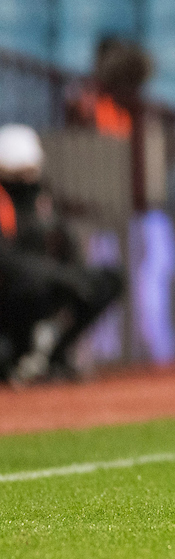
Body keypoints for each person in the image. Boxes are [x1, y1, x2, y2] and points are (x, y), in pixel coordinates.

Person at [0, 124, 123, 383]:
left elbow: (63, 239)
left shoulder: (42, 200)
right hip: (10, 295)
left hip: (44, 285)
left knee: (107, 280)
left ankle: (53, 357)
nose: (27, 179)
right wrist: (60, 275)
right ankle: (19, 357)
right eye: (19, 172)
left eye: (30, 171)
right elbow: (6, 259)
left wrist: (74, 274)